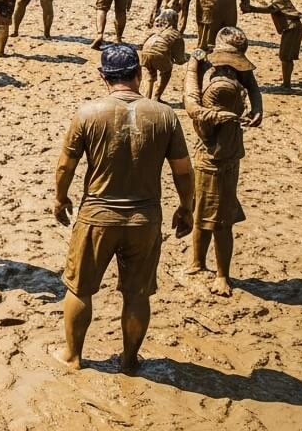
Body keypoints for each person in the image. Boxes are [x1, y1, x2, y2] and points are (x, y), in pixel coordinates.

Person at [52, 44, 194, 373]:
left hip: (98, 215)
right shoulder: (164, 115)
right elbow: (183, 170)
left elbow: (65, 166)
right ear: (139, 74)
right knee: (137, 294)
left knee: (80, 287)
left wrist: (60, 198)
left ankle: (73, 355)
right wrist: (186, 207)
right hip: (144, 218)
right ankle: (130, 360)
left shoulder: (88, 113)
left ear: (103, 76)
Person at [184, 29, 261, 297]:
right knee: (206, 213)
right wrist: (256, 104)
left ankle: (220, 274)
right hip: (220, 157)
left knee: (219, 220)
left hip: (216, 159)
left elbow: (193, 108)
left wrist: (193, 70)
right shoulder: (229, 79)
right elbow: (250, 81)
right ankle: (200, 264)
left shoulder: (220, 86)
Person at [242, 0, 302, 88]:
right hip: (290, 28)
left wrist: (251, 9)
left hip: (292, 28)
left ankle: (287, 84)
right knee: (284, 56)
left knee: (286, 57)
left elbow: (269, 10)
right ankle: (286, 78)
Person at [140, 9, 186, 101]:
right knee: (166, 72)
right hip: (159, 54)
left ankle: (147, 97)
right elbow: (180, 60)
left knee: (150, 73)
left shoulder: (157, 30)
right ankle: (157, 97)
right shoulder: (176, 34)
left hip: (145, 51)